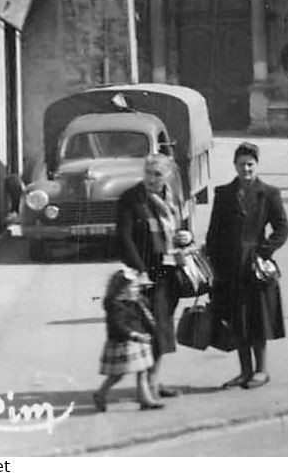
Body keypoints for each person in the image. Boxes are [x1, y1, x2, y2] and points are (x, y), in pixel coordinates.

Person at [206, 142, 288, 390]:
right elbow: (214, 232)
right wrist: (212, 263)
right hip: (229, 266)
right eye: (242, 165)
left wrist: (263, 252)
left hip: (255, 267)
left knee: (257, 319)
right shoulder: (223, 194)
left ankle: (261, 371)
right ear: (234, 166)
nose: (246, 169)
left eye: (250, 165)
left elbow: (282, 229)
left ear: (257, 166)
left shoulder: (269, 193)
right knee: (236, 320)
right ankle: (244, 372)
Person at [115, 154, 192, 400]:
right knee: (150, 330)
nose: (151, 178)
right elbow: (124, 239)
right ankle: (145, 388)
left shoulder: (174, 197)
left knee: (162, 328)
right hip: (147, 272)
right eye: (148, 172)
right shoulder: (131, 198)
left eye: (157, 174)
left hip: (171, 269)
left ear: (167, 176)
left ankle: (153, 382)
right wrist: (140, 271)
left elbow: (184, 228)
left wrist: (186, 238)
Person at [93, 267, 162, 412]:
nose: (137, 290)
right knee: (117, 375)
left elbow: (144, 318)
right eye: (133, 287)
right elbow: (118, 326)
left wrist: (150, 330)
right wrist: (134, 335)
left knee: (142, 371)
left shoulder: (134, 302)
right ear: (121, 289)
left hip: (138, 342)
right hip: (124, 343)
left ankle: (146, 399)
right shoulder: (115, 306)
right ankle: (101, 393)